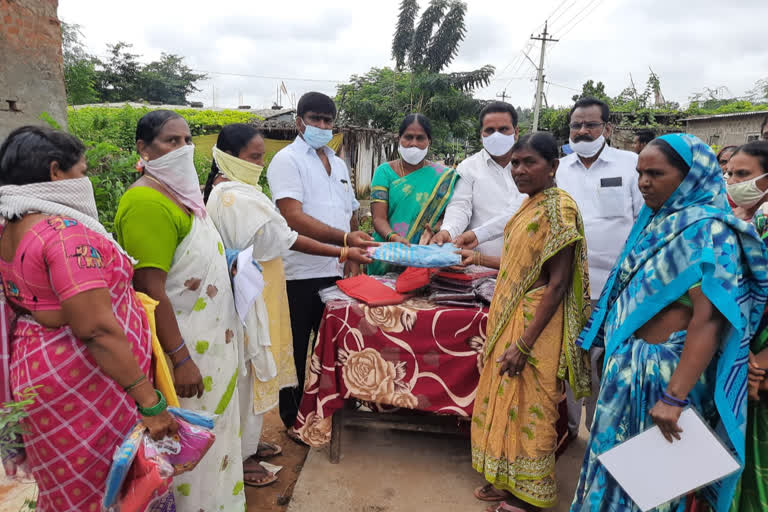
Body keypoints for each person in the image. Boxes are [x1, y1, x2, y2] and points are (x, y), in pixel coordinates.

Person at [570, 134, 768, 512]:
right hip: (628, 371)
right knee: (609, 471)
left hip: (663, 379)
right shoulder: (658, 224)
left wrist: (674, 397)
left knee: (650, 487)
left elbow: (709, 321)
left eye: (656, 173)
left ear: (690, 177)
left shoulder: (711, 231)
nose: (644, 182)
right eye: (640, 173)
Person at [0, 126, 178, 511]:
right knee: (102, 486)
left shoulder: (10, 225)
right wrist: (149, 403)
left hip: (38, 366)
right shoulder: (64, 235)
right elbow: (96, 328)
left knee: (65, 486)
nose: (86, 181)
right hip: (86, 380)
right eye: (82, 172)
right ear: (55, 173)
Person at [203, 123, 373, 485]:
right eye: (253, 157)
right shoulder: (235, 196)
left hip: (260, 286)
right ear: (229, 156)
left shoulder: (237, 190)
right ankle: (242, 456)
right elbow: (287, 237)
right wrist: (343, 248)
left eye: (261, 156)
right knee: (252, 370)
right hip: (251, 293)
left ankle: (249, 442)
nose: (259, 164)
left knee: (256, 368)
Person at [114, 111, 246, 509]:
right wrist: (181, 358)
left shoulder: (183, 197)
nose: (183, 149)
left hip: (211, 344)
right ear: (143, 149)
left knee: (216, 439)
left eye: (187, 140)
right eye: (171, 141)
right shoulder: (146, 203)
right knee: (188, 446)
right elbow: (151, 292)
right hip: (185, 352)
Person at [462, 133, 592, 512]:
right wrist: (478, 260)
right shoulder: (532, 203)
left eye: (529, 162)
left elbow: (557, 283)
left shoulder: (558, 210)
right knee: (505, 399)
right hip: (513, 319)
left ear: (553, 167)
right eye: (515, 163)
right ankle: (505, 479)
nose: (519, 170)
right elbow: (523, 266)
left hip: (535, 327)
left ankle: (529, 498)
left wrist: (524, 345)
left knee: (531, 406)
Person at [266, 92, 374, 432]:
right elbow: (293, 217)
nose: (322, 126)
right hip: (298, 272)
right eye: (315, 119)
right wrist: (344, 242)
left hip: (336, 271)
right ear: (299, 122)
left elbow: (351, 211)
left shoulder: (338, 162)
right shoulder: (287, 161)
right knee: (296, 349)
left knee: (336, 346)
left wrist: (352, 257)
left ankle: (336, 410)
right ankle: (293, 420)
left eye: (328, 120)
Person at [556, 97, 643, 438]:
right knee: (570, 359)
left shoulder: (631, 164)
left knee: (605, 362)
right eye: (576, 125)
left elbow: (640, 223)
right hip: (569, 285)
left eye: (590, 124)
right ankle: (570, 429)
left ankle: (599, 435)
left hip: (617, 287)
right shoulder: (560, 169)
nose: (582, 131)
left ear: (607, 128)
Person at [724, 141, 768, 511]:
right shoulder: (740, 220)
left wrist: (762, 361)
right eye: (729, 173)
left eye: (743, 174)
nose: (733, 180)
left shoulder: (765, 220)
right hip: (743, 352)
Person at [430, 102, 525, 257]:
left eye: (503, 129)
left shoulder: (530, 168)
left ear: (516, 132)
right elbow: (460, 207)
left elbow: (519, 209)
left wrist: (478, 234)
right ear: (481, 134)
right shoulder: (468, 167)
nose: (496, 135)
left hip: (526, 267)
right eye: (490, 130)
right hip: (479, 267)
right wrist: (448, 231)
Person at [368, 113, 458, 274]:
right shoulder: (384, 172)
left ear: (429, 141)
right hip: (387, 254)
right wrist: (394, 238)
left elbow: (447, 217)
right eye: (408, 137)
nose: (413, 144)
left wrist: (435, 230)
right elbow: (378, 218)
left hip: (425, 256)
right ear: (399, 139)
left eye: (420, 138)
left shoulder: (443, 176)